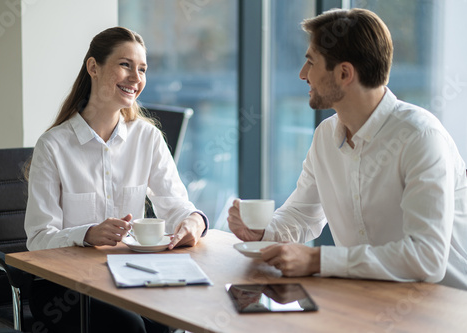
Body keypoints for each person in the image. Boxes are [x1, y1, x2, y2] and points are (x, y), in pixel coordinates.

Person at [227, 8, 467, 291]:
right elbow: (303, 214)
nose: (303, 74)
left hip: (443, 310)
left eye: (310, 62)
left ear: (343, 73)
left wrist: (318, 260)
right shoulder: (326, 136)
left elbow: (426, 258)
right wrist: (263, 232)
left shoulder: (421, 137)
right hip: (365, 299)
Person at [24, 27, 208, 332]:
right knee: (129, 326)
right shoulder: (53, 146)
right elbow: (38, 239)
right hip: (64, 286)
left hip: (131, 273)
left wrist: (194, 221)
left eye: (142, 69)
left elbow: (175, 205)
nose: (136, 78)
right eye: (125, 65)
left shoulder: (147, 137)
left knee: (172, 319)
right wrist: (88, 233)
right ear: (94, 67)